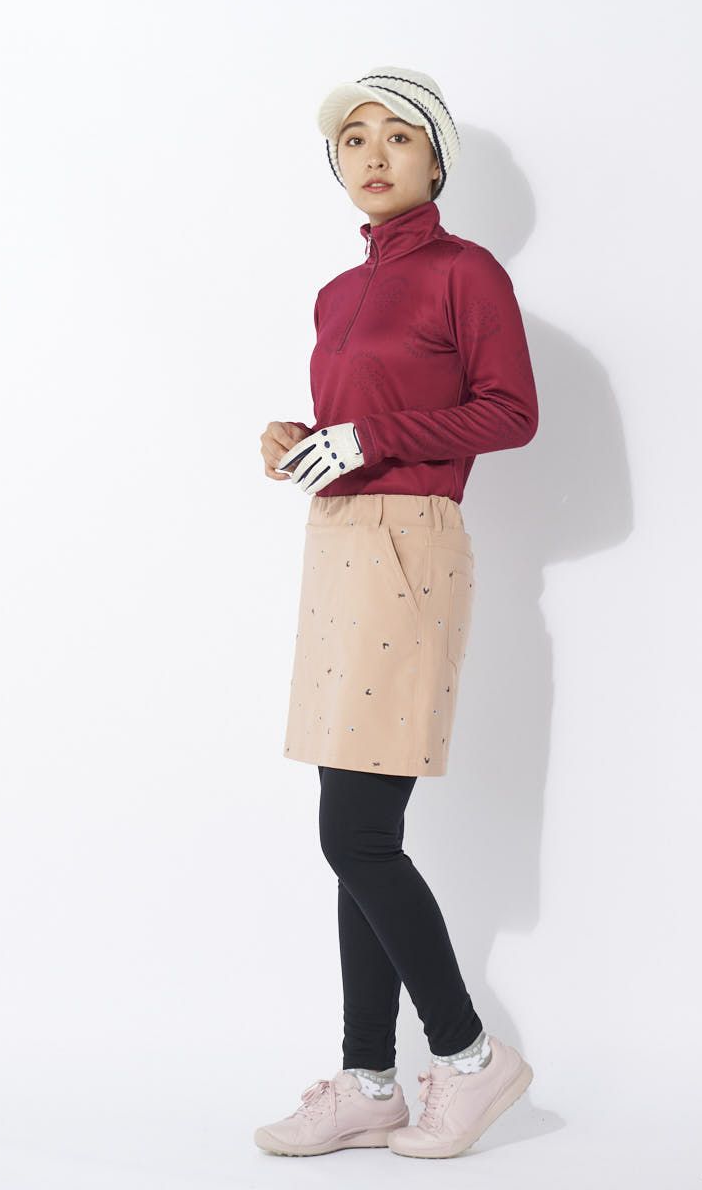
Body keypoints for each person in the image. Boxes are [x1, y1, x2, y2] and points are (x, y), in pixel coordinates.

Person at [255, 66, 539, 1160]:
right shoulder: (337, 293)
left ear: (436, 159)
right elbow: (361, 416)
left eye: (398, 136)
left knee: (357, 833)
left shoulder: (466, 273)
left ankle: (468, 1057)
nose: (372, 155)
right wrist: (302, 439)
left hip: (410, 546)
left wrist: (370, 438)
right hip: (335, 545)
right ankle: (370, 1078)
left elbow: (508, 412)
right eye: (353, 140)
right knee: (356, 834)